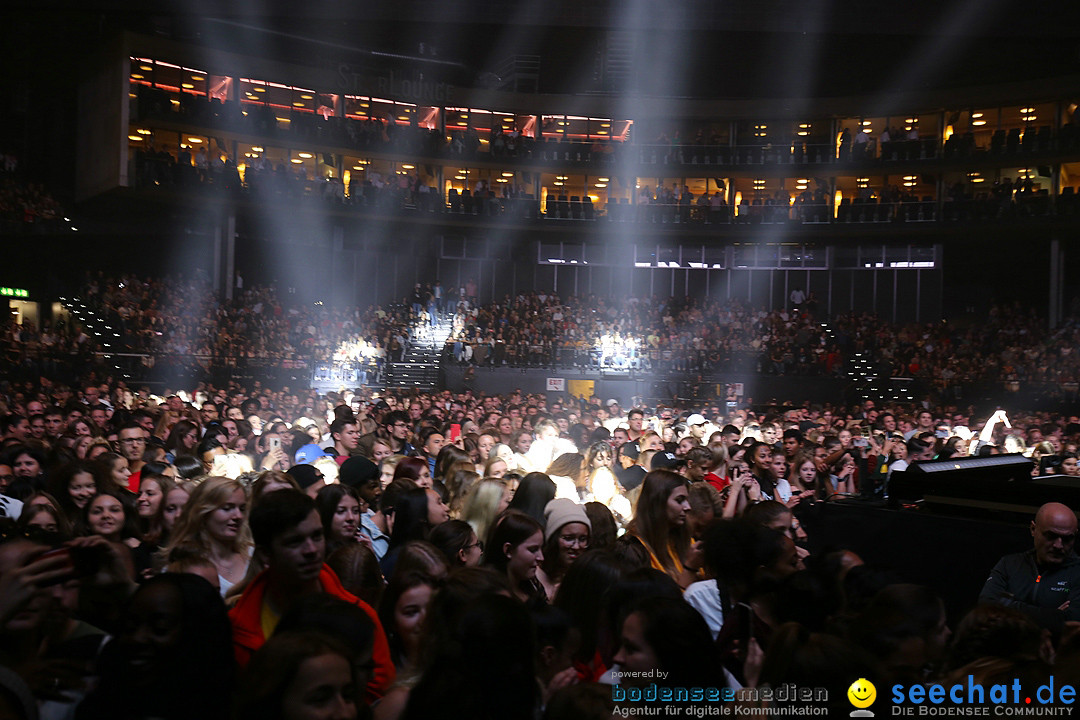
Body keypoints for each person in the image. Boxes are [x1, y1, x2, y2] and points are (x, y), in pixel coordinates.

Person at [228, 488, 395, 702]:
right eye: (295, 541)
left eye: (317, 536)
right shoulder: (238, 628)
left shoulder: (359, 615)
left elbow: (378, 693)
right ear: (265, 554)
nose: (311, 550)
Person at [980, 502, 1080, 633]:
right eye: (1051, 536)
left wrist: (1008, 605)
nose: (1058, 545)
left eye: (1067, 539)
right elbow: (985, 606)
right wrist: (1052, 615)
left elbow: (1072, 620)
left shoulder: (1077, 572)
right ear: (1033, 529)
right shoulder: (1010, 564)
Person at [164, 476, 252, 598]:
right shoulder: (184, 564)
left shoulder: (253, 556)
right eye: (227, 508)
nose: (238, 516)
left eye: (242, 509)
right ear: (203, 512)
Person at [625, 470, 696, 588]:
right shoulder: (632, 550)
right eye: (679, 500)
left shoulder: (685, 540)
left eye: (687, 500)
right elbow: (661, 603)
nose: (688, 507)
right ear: (658, 503)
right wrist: (690, 569)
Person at [484, 509, 546, 607]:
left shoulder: (534, 587)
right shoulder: (486, 592)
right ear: (508, 550)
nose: (541, 558)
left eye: (541, 549)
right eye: (533, 550)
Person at [537, 498, 591, 600]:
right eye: (568, 538)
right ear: (553, 539)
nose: (576, 546)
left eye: (582, 539)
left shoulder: (587, 579)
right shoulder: (532, 576)